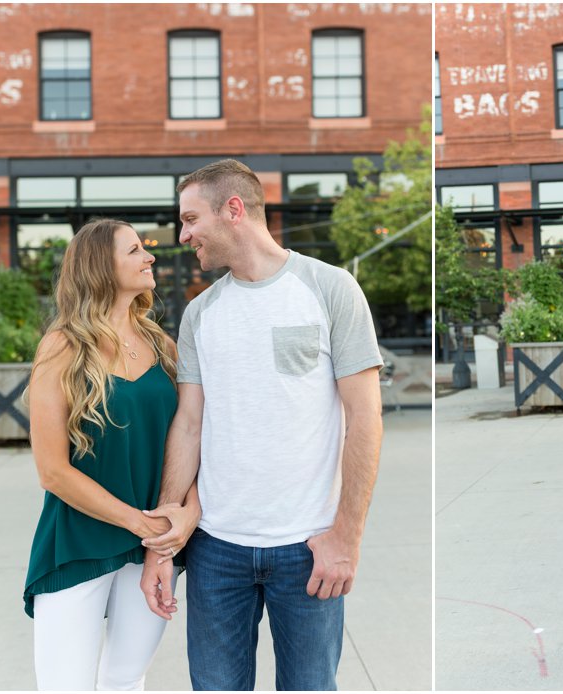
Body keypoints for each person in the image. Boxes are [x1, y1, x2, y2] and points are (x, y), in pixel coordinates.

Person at [139, 159, 384, 691]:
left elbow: (364, 420)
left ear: (233, 211)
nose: (182, 237)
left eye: (189, 219)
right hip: (214, 550)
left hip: (309, 547)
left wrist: (346, 537)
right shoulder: (201, 313)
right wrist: (163, 544)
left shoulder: (330, 288)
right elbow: (188, 424)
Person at [23, 218, 197, 690]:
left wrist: (182, 517)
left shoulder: (163, 347)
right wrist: (138, 523)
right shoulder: (61, 347)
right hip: (78, 542)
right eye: (136, 250)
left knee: (126, 678)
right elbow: (52, 470)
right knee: (66, 685)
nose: (151, 257)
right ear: (101, 266)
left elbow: (192, 438)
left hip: (153, 548)